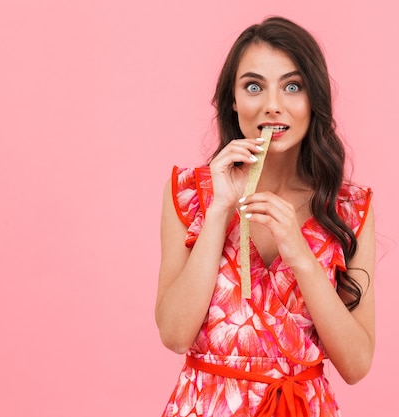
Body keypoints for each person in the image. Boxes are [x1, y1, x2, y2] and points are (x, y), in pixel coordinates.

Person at [155, 16, 376, 417]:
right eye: (253, 86)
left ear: (314, 101)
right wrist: (220, 208)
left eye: (293, 86)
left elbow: (356, 365)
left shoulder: (346, 208)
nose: (273, 104)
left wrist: (301, 254)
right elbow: (174, 335)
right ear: (233, 100)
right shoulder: (189, 193)